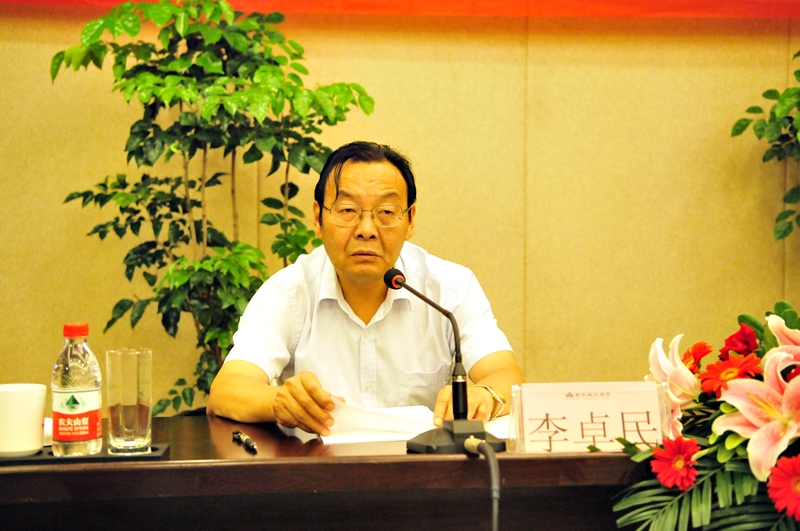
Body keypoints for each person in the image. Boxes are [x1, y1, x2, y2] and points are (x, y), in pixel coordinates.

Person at [208, 141, 523, 435]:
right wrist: (279, 402)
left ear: (410, 220)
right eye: (347, 210)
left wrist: (485, 395)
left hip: (422, 468)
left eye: (386, 213)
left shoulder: (449, 289)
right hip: (318, 469)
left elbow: (506, 376)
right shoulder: (288, 292)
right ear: (318, 218)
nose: (367, 230)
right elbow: (227, 390)